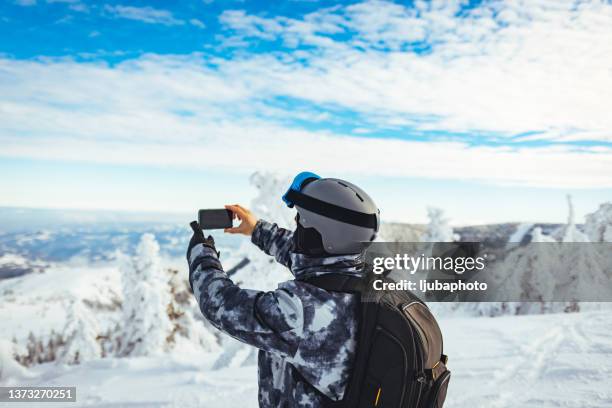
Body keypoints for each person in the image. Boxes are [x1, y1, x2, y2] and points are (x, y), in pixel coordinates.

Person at [187, 172, 379, 407]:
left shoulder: (302, 313)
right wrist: (257, 229)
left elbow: (220, 304)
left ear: (324, 235)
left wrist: (201, 253)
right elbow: (310, 259)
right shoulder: (364, 277)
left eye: (301, 222)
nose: (297, 227)